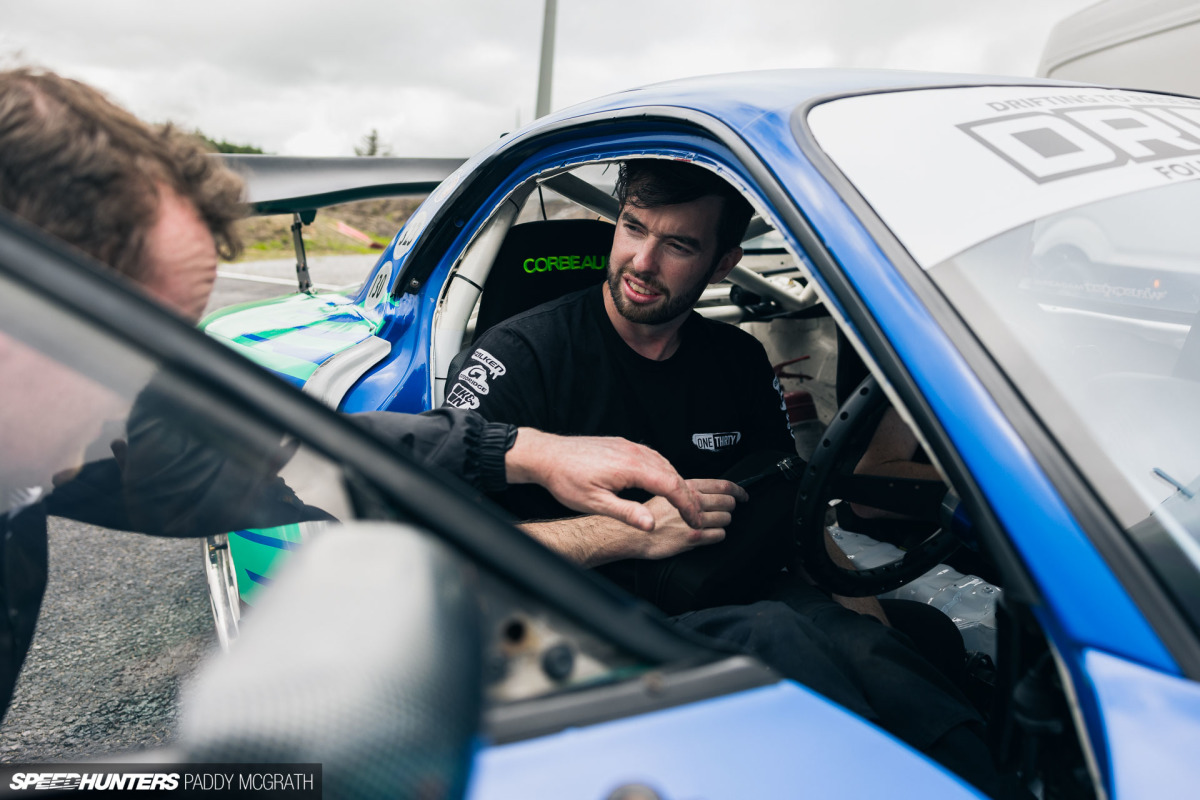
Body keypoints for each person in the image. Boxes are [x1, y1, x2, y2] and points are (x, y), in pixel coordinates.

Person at [0, 67, 703, 723]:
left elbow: (263, 467)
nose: (169, 387)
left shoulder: (47, 455)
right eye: (141, 340)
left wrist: (521, 449)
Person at [445, 159, 1014, 796]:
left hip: (739, 586)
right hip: (593, 617)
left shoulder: (738, 359)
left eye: (679, 245)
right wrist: (629, 532)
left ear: (722, 264)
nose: (642, 261)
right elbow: (449, 550)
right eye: (633, 228)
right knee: (778, 641)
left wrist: (856, 600)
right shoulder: (520, 357)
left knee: (887, 659)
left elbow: (783, 502)